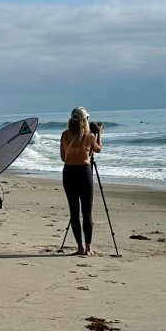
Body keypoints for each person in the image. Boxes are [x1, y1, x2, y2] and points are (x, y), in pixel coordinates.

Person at [59, 106, 102, 256]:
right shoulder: (89, 136)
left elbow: (63, 157)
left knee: (74, 212)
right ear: (85, 121)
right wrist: (99, 134)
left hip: (69, 172)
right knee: (87, 211)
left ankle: (79, 247)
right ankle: (88, 248)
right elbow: (98, 149)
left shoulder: (64, 135)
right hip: (84, 172)